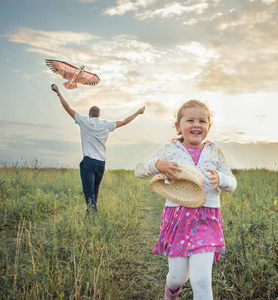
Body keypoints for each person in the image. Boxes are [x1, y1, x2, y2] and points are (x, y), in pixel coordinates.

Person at [135, 100, 237, 300]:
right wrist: (158, 164)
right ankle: (171, 290)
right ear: (178, 126)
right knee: (177, 277)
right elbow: (140, 170)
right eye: (190, 120)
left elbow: (232, 183)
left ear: (209, 126)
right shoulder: (170, 150)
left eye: (202, 121)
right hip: (178, 220)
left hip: (207, 219)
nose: (196, 125)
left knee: (201, 280)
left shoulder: (215, 151)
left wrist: (221, 178)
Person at [51, 84, 145, 213]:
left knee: (88, 191)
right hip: (101, 162)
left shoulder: (84, 121)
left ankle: (93, 214)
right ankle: (91, 214)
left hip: (89, 161)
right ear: (99, 115)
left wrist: (58, 92)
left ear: (90, 114)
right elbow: (124, 122)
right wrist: (138, 112)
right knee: (95, 190)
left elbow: (67, 108)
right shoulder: (105, 125)